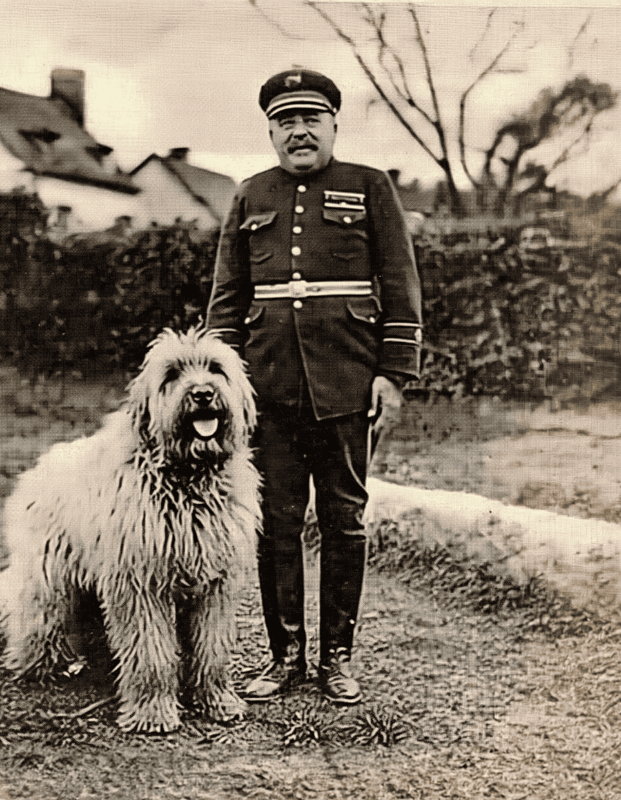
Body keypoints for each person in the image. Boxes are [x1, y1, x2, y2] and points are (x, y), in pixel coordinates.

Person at [205, 69, 422, 704]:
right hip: (267, 387)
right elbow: (226, 302)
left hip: (348, 385)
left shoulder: (369, 186)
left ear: (333, 124)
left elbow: (402, 286)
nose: (298, 132)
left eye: (311, 120)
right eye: (285, 122)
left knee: (343, 519)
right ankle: (283, 656)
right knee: (274, 522)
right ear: (271, 129)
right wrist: (228, 387)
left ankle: (337, 658)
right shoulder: (249, 195)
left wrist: (392, 374)